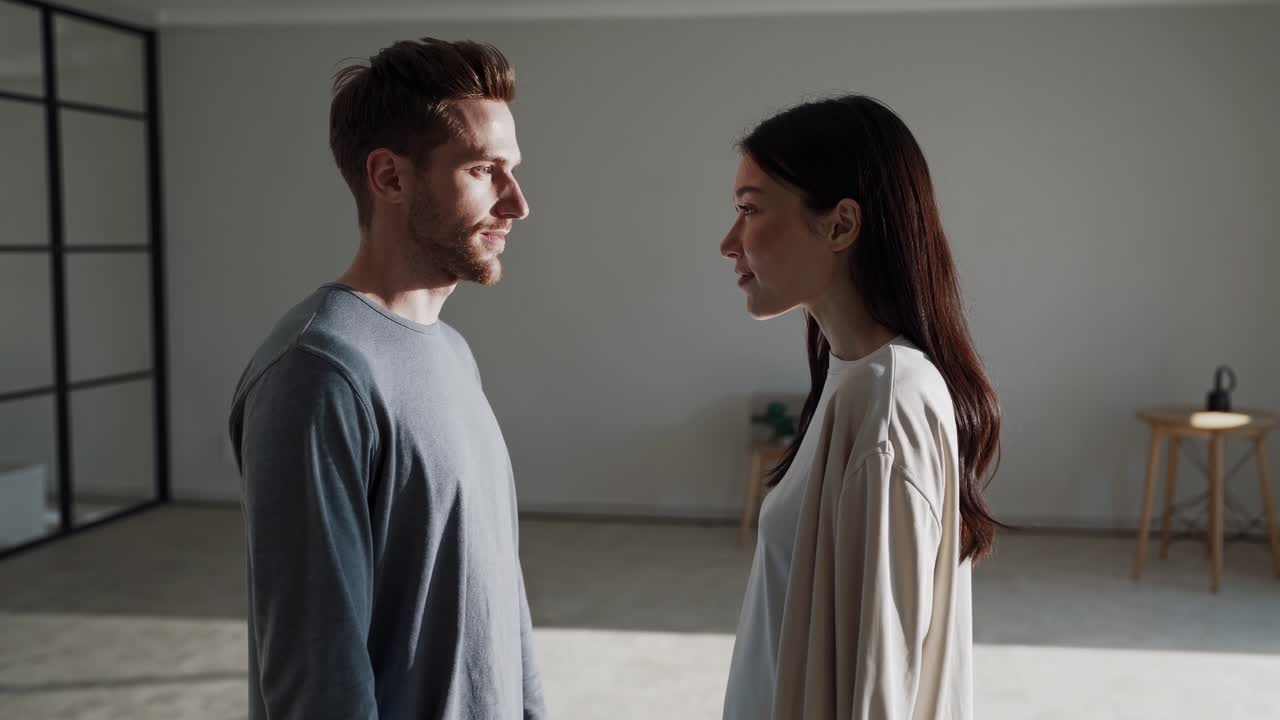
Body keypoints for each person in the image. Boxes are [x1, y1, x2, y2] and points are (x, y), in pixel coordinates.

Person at [227, 38, 543, 719]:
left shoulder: (451, 351)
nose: (517, 203)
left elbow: (497, 587)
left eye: (511, 171)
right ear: (391, 178)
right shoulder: (317, 372)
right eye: (485, 171)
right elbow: (317, 669)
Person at [719, 95, 1001, 720]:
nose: (728, 242)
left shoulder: (887, 401)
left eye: (749, 211)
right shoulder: (857, 382)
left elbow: (880, 689)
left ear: (842, 225)